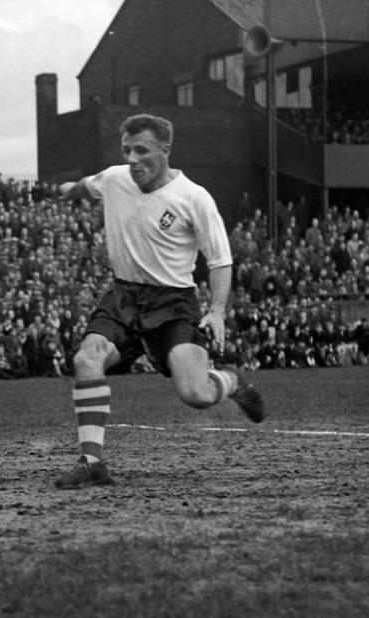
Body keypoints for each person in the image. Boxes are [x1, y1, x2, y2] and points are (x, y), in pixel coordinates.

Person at [54, 113, 265, 489]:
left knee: (195, 394)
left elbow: (220, 260)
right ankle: (92, 463)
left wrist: (217, 312)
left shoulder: (194, 198)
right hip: (124, 296)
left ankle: (230, 382)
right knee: (87, 358)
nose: (132, 159)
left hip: (174, 303)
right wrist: (68, 188)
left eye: (142, 150)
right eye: (126, 151)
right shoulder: (116, 178)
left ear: (165, 150)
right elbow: (87, 186)